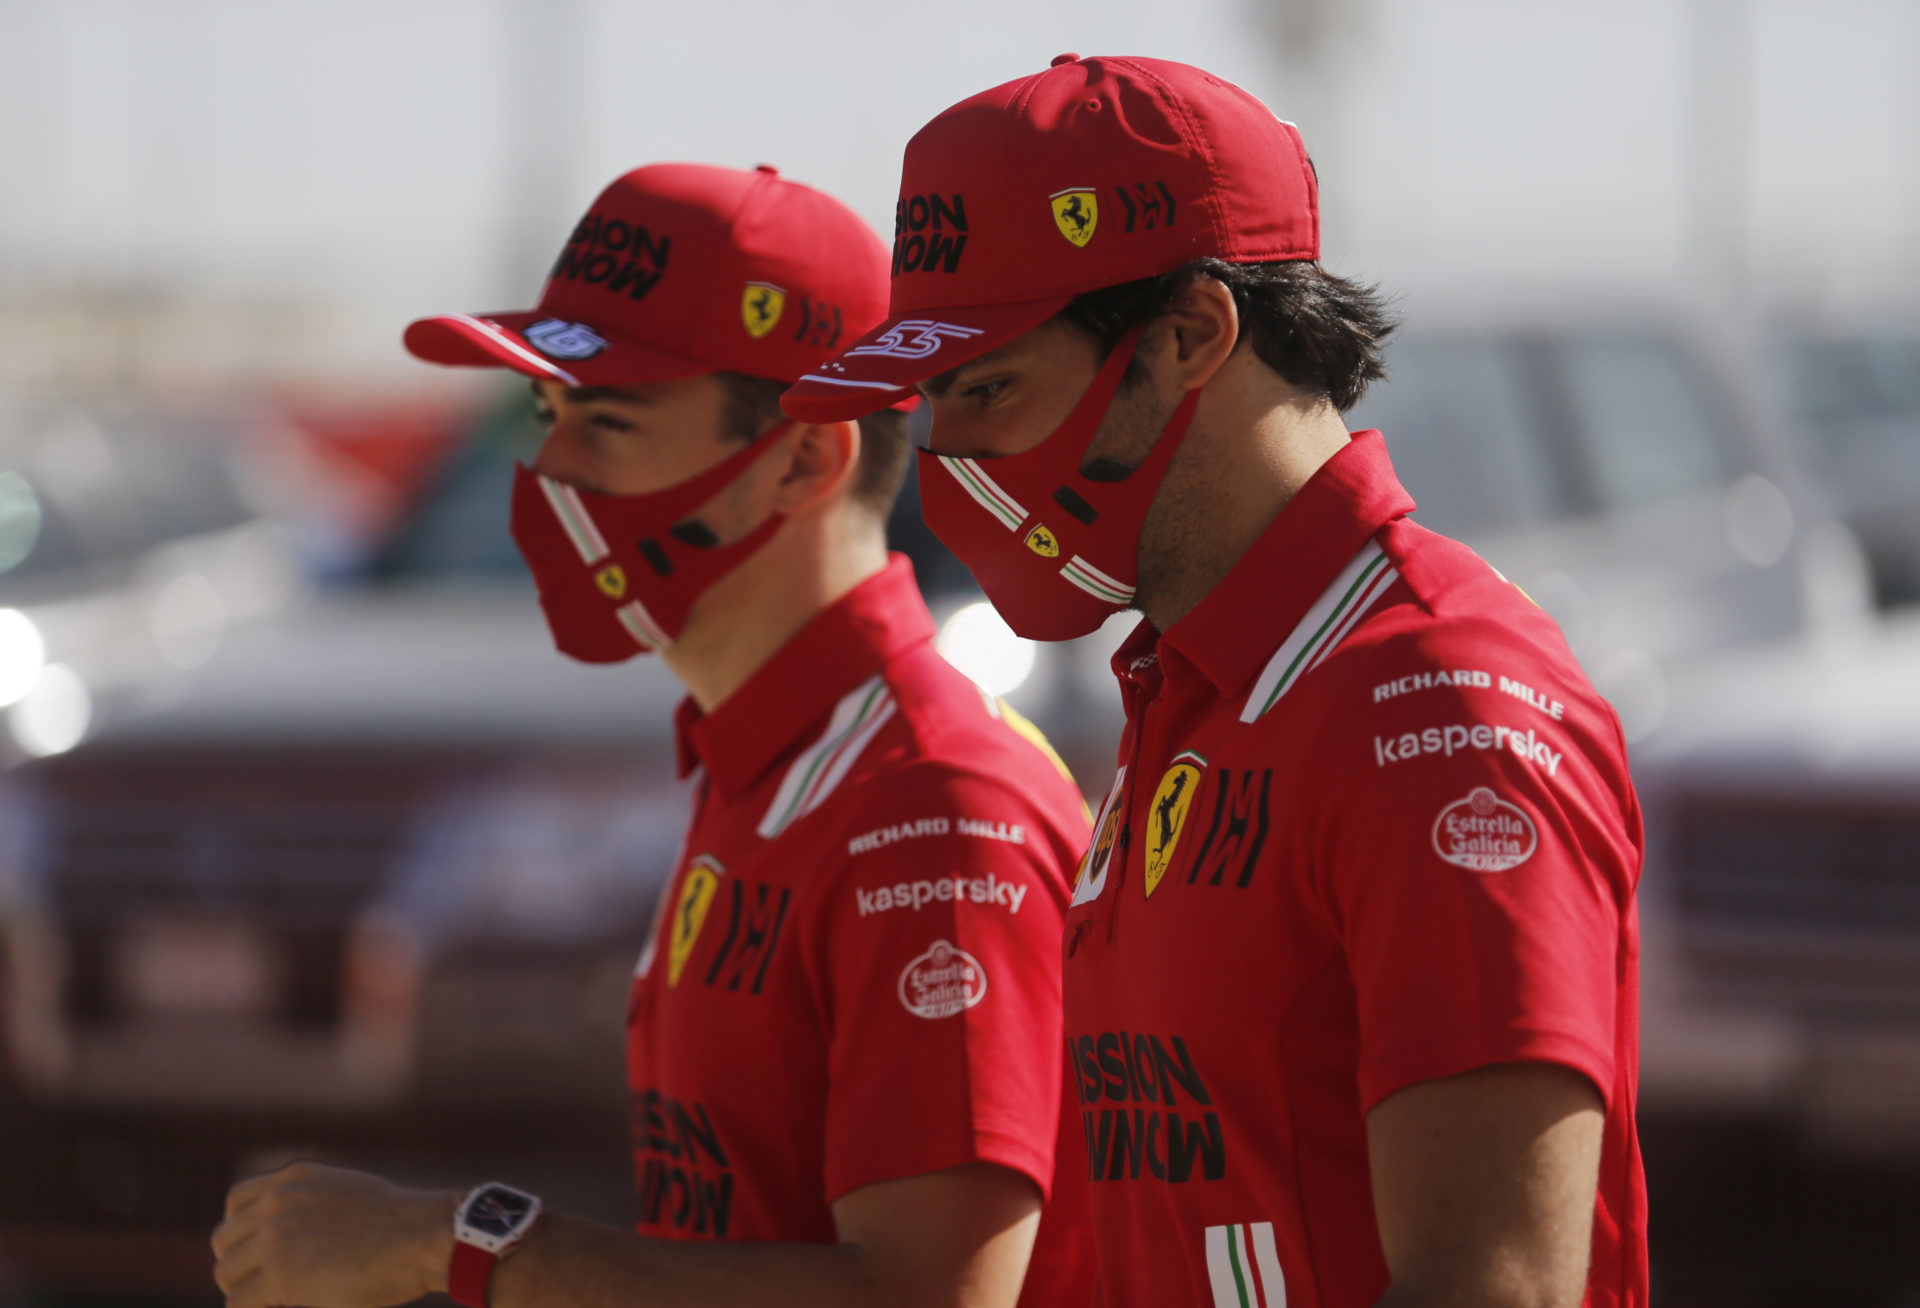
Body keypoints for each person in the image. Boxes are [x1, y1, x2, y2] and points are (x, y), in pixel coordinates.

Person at [785, 54, 1648, 1308]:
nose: (949, 460)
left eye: (988, 391)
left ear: (1191, 335)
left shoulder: (1434, 708)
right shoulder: (1193, 683)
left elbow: (1494, 1290)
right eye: (933, 404)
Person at [211, 162, 1093, 1308]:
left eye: (610, 420)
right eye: (548, 416)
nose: (552, 474)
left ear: (801, 459)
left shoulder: (932, 808)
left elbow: (930, 1298)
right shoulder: (770, 759)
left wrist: (458, 1244)